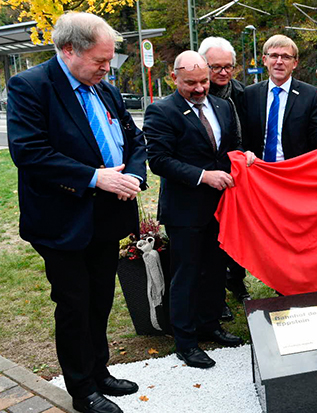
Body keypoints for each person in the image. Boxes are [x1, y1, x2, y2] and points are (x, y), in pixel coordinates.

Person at [6, 12, 145, 413]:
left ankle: (99, 371)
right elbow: (29, 152)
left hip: (107, 216)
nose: (107, 68)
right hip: (62, 222)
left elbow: (134, 139)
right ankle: (82, 391)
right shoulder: (31, 86)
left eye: (109, 60)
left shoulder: (105, 88)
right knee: (74, 305)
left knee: (100, 299)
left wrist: (133, 175)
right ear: (69, 50)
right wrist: (94, 178)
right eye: (101, 60)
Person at [145, 51, 245, 370]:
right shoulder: (161, 111)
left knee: (215, 269)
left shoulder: (223, 105)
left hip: (221, 207)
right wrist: (203, 176)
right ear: (174, 78)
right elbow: (159, 160)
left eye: (204, 81)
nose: (200, 88)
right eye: (191, 83)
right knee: (186, 274)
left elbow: (232, 145)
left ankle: (210, 325)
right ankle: (185, 341)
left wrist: (244, 158)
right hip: (184, 209)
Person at [198, 36, 251, 322]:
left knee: (237, 233)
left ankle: (236, 280)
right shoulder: (197, 96)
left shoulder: (242, 93)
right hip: (206, 178)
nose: (222, 72)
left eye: (228, 66)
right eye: (215, 66)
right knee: (212, 242)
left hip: (238, 174)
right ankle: (215, 298)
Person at [237, 35, 317, 161]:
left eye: (286, 57)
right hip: (258, 170)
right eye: (274, 56)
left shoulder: (310, 95)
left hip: (294, 172)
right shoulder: (250, 94)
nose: (279, 62)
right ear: (264, 60)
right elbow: (241, 137)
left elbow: (315, 138)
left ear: (295, 63)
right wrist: (244, 152)